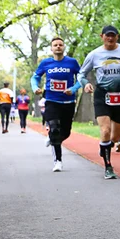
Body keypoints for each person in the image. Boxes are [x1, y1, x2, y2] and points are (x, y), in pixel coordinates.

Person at [80, 25, 120, 180]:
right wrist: (85, 83)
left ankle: (105, 145)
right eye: (107, 35)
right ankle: (108, 166)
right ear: (102, 36)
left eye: (113, 35)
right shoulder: (94, 54)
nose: (110, 38)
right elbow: (81, 74)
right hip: (102, 95)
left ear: (117, 37)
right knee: (105, 130)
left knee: (114, 137)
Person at [32, 37, 83, 172]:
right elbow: (35, 77)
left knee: (65, 132)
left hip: (68, 102)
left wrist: (72, 89)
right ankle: (58, 161)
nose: (58, 47)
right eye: (55, 45)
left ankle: (52, 138)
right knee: (54, 128)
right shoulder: (46, 63)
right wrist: (35, 87)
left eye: (60, 44)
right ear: (51, 48)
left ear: (64, 47)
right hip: (52, 101)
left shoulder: (72, 63)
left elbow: (81, 79)